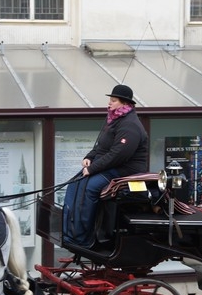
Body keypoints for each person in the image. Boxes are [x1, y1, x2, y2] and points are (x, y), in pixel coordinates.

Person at [62, 84, 149, 247]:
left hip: (124, 170)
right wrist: (90, 156)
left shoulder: (130, 125)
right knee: (74, 185)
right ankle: (71, 232)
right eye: (110, 100)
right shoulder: (114, 120)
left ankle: (84, 237)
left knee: (90, 188)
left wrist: (92, 169)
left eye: (113, 100)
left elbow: (118, 155)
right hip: (110, 167)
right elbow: (101, 146)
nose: (109, 103)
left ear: (125, 103)